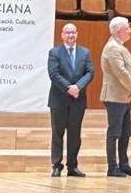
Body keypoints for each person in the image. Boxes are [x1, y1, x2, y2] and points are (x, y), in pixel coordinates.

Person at [47, 23, 95, 177]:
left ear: (77, 34)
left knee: (75, 134)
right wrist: (69, 88)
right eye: (67, 33)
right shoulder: (54, 52)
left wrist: (78, 87)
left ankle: (72, 166)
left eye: (73, 32)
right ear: (62, 35)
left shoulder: (85, 52)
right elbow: (54, 74)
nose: (70, 35)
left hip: (77, 100)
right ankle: (56, 165)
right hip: (59, 99)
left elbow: (90, 72)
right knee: (57, 133)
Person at [101, 16, 131, 177]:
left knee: (126, 131)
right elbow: (121, 73)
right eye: (127, 28)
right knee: (114, 132)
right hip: (114, 97)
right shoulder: (112, 48)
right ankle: (112, 167)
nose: (130, 30)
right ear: (119, 31)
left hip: (124, 97)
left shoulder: (121, 46)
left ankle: (124, 164)